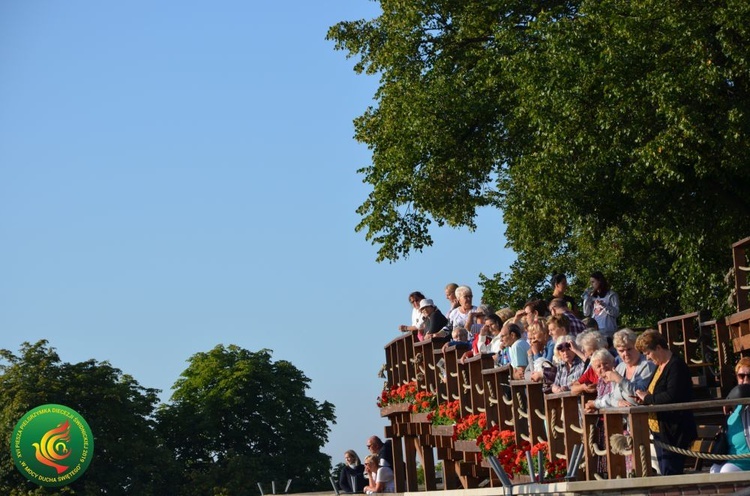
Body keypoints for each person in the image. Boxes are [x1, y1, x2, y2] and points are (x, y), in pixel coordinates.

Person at [634, 329, 697, 476]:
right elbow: (656, 394)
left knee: (671, 474)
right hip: (659, 430)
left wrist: (647, 398)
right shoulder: (659, 366)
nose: (648, 358)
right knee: (664, 473)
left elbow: (671, 396)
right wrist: (644, 399)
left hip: (674, 430)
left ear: (658, 348)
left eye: (648, 353)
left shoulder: (676, 366)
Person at [595, 328, 655, 408]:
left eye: (629, 349)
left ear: (636, 347)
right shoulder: (620, 367)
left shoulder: (647, 365)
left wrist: (620, 379)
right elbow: (612, 396)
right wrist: (617, 403)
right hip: (621, 418)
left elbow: (640, 395)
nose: (626, 353)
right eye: (621, 351)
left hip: (643, 417)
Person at [710, 357, 750, 473]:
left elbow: (743, 391)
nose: (745, 380)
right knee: (714, 470)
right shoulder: (735, 404)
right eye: (741, 376)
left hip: (745, 460)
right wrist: (730, 401)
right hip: (730, 457)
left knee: (726, 472)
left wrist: (728, 400)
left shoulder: (735, 398)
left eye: (749, 376)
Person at [582, 272, 619, 338]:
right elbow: (586, 313)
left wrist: (603, 305)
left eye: (593, 282)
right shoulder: (592, 296)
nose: (591, 285)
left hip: (608, 331)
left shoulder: (611, 295)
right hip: (595, 330)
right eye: (591, 282)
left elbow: (616, 313)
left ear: (600, 281)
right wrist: (586, 300)